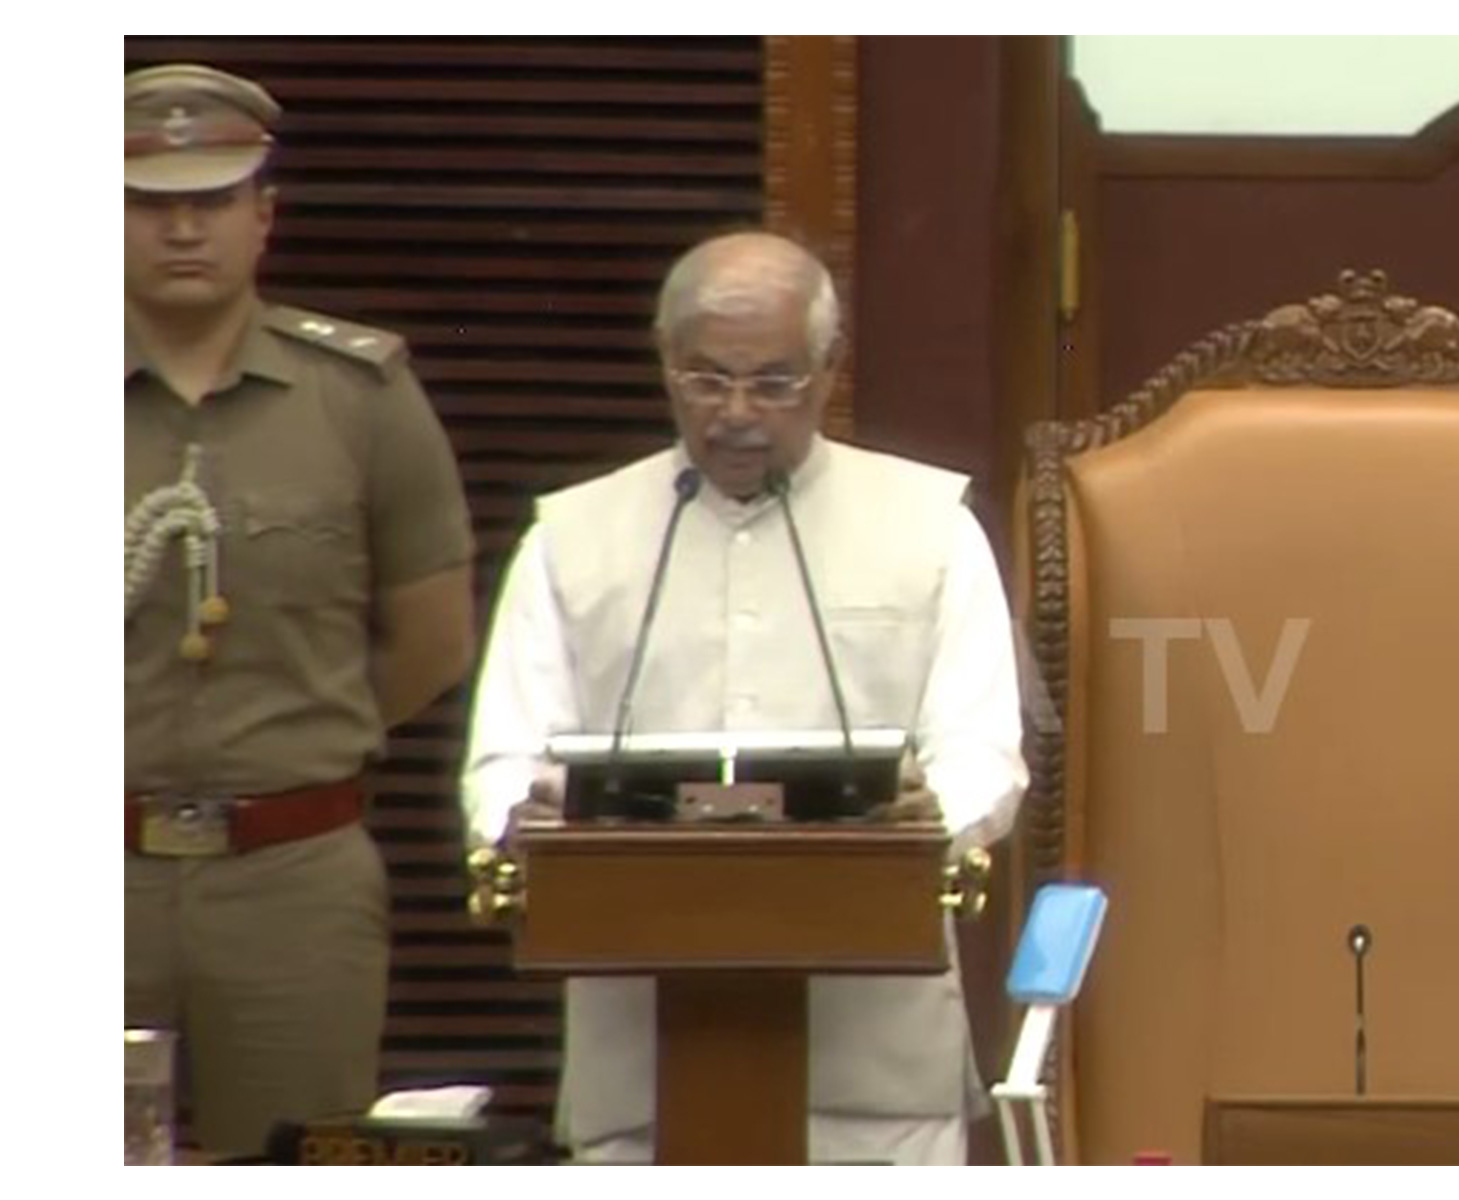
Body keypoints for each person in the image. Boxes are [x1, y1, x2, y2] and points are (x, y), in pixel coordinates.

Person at [461, 231, 1026, 1165]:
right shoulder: (573, 538)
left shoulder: (932, 531)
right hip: (643, 1071)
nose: (735, 415)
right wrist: (526, 818)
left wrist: (940, 813)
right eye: (705, 379)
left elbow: (981, 752)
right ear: (664, 364)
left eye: (773, 382)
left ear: (829, 370)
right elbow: (502, 764)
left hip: (875, 1080)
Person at [124, 63, 476, 1157]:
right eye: (148, 202)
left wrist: (299, 732)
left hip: (293, 876)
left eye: (214, 199)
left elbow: (432, 638)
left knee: (294, 1160)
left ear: (263, 216)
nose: (184, 229)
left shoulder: (359, 395)